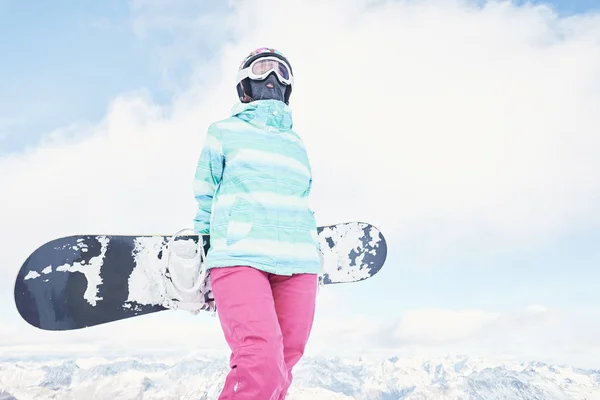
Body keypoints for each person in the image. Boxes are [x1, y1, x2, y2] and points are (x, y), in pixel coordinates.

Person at [192, 47, 322, 399]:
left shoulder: (296, 143)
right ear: (244, 85)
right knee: (261, 362)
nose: (272, 79)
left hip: (299, 263)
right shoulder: (222, 132)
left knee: (283, 364)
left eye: (281, 73)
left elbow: (301, 197)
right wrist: (202, 249)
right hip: (240, 256)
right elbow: (205, 195)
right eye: (263, 69)